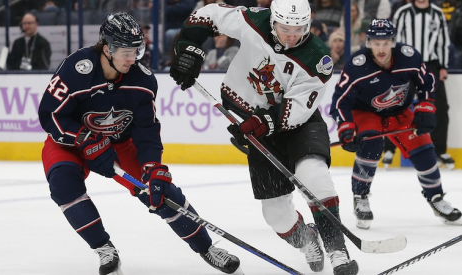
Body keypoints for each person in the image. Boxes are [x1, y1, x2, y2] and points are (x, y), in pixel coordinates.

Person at [38, 12, 243, 275]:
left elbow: (146, 131)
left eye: (136, 50)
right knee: (63, 185)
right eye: (124, 51)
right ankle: (104, 248)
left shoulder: (143, 81)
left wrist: (152, 165)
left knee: (161, 192)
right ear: (106, 47)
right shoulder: (76, 69)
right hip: (72, 141)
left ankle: (206, 248)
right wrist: (84, 138)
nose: (131, 58)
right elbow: (50, 114)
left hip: (121, 144)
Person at [170, 1, 359, 274]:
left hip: (298, 125)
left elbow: (297, 108)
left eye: (299, 29)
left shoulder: (318, 57)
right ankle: (308, 242)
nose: (292, 35)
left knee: (314, 176)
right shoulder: (254, 20)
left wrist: (263, 121)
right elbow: (207, 14)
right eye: (285, 28)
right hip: (252, 123)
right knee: (277, 216)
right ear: (273, 21)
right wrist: (190, 48)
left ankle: (337, 252)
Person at [329, 19, 462, 230]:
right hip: (365, 112)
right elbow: (340, 101)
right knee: (371, 145)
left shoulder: (409, 56)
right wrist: (346, 127)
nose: (381, 48)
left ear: (393, 42)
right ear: (368, 42)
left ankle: (436, 198)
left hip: (399, 112)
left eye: (386, 42)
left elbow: (427, 82)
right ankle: (360, 196)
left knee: (425, 149)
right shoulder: (357, 65)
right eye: (376, 42)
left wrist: (425, 108)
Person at [393, 0, 454, 169]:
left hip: (431, 65)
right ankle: (389, 148)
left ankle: (440, 149)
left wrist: (442, 66)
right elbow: (394, 40)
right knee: (394, 104)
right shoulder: (402, 13)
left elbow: (442, 42)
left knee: (440, 107)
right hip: (407, 65)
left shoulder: (437, 13)